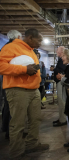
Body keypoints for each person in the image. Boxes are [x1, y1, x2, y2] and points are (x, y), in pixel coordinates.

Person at [0, 28, 49, 159]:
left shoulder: (32, 51)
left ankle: (32, 144)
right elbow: (1, 66)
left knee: (35, 119)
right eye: (39, 40)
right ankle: (16, 152)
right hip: (18, 90)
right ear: (30, 38)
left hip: (34, 90)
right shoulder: (11, 47)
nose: (40, 43)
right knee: (18, 123)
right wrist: (24, 69)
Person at [1, 30, 22, 140]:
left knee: (8, 107)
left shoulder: (6, 46)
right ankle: (11, 133)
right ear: (18, 36)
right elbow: (4, 67)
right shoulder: (11, 47)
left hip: (7, 83)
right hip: (12, 84)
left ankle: (6, 129)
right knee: (13, 110)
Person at [51, 46, 67, 127]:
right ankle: (61, 117)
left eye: (57, 50)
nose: (56, 52)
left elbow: (63, 70)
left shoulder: (63, 59)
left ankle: (63, 119)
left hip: (61, 82)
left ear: (60, 52)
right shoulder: (61, 60)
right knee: (61, 101)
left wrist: (55, 69)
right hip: (60, 82)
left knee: (61, 101)